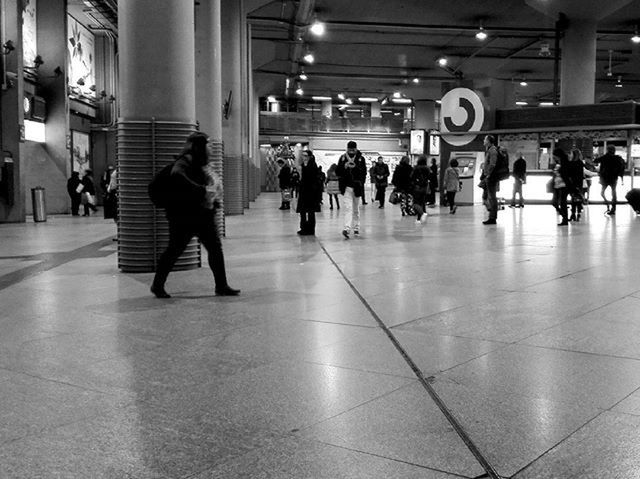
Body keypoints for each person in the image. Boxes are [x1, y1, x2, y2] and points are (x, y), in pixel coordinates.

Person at [150, 132, 239, 298]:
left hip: (202, 214)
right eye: (208, 144)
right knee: (174, 250)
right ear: (199, 146)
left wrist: (212, 200)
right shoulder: (185, 160)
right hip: (184, 216)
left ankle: (221, 285)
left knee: (214, 248)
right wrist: (202, 191)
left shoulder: (200, 163)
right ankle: (157, 284)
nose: (211, 147)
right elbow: (176, 175)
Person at [336, 140, 367, 238]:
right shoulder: (342, 158)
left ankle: (356, 228)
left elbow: (364, 173)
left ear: (356, 149)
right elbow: (338, 172)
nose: (351, 151)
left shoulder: (361, 159)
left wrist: (356, 167)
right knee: (348, 208)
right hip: (346, 187)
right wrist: (344, 166)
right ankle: (347, 228)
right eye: (350, 149)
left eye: (353, 149)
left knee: (356, 209)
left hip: (357, 187)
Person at [594, 144, 625, 216]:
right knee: (614, 193)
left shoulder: (605, 157)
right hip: (614, 178)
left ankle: (607, 204)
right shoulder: (617, 158)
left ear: (607, 150)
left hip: (605, 178)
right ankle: (613, 209)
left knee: (602, 193)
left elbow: (595, 160)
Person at [296, 150, 321, 235]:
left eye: (306, 156)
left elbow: (312, 179)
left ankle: (311, 229)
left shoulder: (313, 166)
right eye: (303, 156)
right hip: (303, 191)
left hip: (311, 192)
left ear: (310, 157)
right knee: (302, 211)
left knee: (311, 211)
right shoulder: (302, 166)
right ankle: (303, 228)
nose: (304, 157)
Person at [480, 135, 499, 225]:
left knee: (492, 197)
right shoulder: (490, 150)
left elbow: (492, 164)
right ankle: (492, 216)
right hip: (489, 177)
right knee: (489, 197)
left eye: (485, 139)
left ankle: (492, 217)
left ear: (488, 141)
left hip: (491, 177)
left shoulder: (492, 150)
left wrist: (488, 175)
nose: (483, 140)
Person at [551, 148, 570, 226]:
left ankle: (565, 219)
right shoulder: (559, 162)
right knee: (555, 202)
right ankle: (564, 216)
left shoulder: (564, 162)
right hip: (557, 185)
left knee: (562, 202)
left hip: (563, 185)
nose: (553, 157)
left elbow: (565, 173)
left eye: (554, 155)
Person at [411, 156, 431, 224]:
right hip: (424, 187)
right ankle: (418, 219)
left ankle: (422, 213)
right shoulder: (427, 169)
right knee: (421, 202)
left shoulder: (416, 168)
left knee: (415, 203)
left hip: (417, 187)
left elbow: (412, 177)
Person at [566, 149, 585, 222]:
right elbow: (581, 174)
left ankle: (573, 213)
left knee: (573, 198)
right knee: (578, 198)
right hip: (579, 183)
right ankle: (578, 213)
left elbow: (569, 174)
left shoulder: (571, 163)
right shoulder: (580, 163)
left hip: (572, 183)